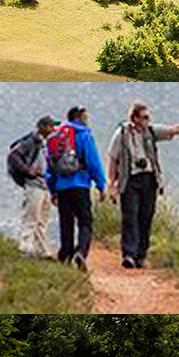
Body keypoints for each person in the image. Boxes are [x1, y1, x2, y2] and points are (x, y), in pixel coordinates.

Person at [107, 102, 179, 269]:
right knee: (130, 217)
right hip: (129, 180)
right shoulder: (121, 135)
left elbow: (175, 129)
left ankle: (140, 255)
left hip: (149, 180)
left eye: (148, 117)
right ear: (134, 118)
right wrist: (112, 185)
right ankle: (128, 254)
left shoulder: (151, 132)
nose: (148, 121)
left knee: (146, 217)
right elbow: (113, 160)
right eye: (144, 117)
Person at [47, 106, 107, 270]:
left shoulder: (56, 137)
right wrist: (101, 185)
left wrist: (52, 190)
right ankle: (81, 251)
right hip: (80, 185)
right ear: (79, 118)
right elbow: (93, 162)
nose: (88, 119)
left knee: (66, 223)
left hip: (62, 187)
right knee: (85, 221)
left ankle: (65, 256)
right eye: (86, 116)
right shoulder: (84, 135)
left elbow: (50, 166)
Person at [7, 114, 57, 259]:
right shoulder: (32, 141)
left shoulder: (44, 143)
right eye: (51, 126)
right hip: (34, 185)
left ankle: (41, 250)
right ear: (43, 127)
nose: (53, 129)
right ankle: (25, 248)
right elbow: (13, 155)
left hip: (44, 185)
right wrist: (27, 170)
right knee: (31, 217)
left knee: (41, 219)